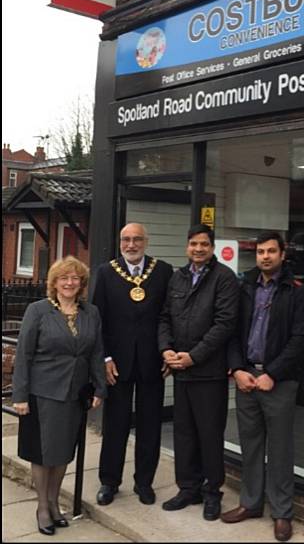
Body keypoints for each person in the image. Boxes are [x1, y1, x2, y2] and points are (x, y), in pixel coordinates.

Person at [221, 231, 304, 542]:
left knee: (280, 449)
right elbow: (231, 332)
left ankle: (282, 513)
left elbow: (301, 340)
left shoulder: (297, 292)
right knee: (250, 446)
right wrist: (236, 369)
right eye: (261, 251)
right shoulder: (244, 286)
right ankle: (250, 503)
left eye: (271, 251)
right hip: (246, 379)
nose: (265, 256)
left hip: (279, 382)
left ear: (282, 254)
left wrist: (272, 372)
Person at [12, 256, 107, 536]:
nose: (69, 283)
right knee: (43, 453)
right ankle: (42, 506)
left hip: (75, 394)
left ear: (82, 284)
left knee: (65, 451)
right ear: (54, 283)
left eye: (75, 278)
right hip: (43, 393)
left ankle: (55, 503)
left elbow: (96, 353)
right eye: (63, 278)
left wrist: (99, 387)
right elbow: (23, 354)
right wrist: (20, 395)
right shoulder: (37, 310)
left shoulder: (91, 313)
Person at [158, 223, 239, 521]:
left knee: (209, 434)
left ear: (212, 247)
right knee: (184, 433)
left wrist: (193, 356)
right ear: (187, 246)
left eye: (204, 244)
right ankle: (188, 488)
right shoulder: (177, 279)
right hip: (181, 370)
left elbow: (224, 325)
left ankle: (211, 492)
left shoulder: (224, 279)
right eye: (193, 244)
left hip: (209, 372)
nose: (198, 249)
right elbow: (164, 316)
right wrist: (165, 349)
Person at [93, 223, 173, 506]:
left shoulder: (162, 271)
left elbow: (170, 316)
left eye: (137, 239)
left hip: (153, 362)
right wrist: (104, 357)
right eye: (126, 239)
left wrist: (168, 352)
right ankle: (109, 482)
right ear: (120, 242)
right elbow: (96, 319)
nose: (131, 245)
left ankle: (144, 483)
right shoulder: (106, 272)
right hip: (117, 364)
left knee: (150, 425)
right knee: (115, 424)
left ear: (146, 242)